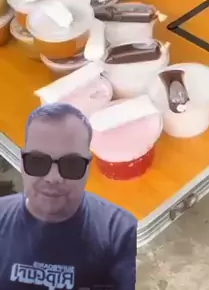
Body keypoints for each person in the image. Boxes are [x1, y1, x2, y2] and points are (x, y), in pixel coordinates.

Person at [0, 102, 137, 289]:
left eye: (71, 164)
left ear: (88, 168)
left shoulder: (119, 231)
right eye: (38, 161)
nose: (53, 177)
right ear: (23, 163)